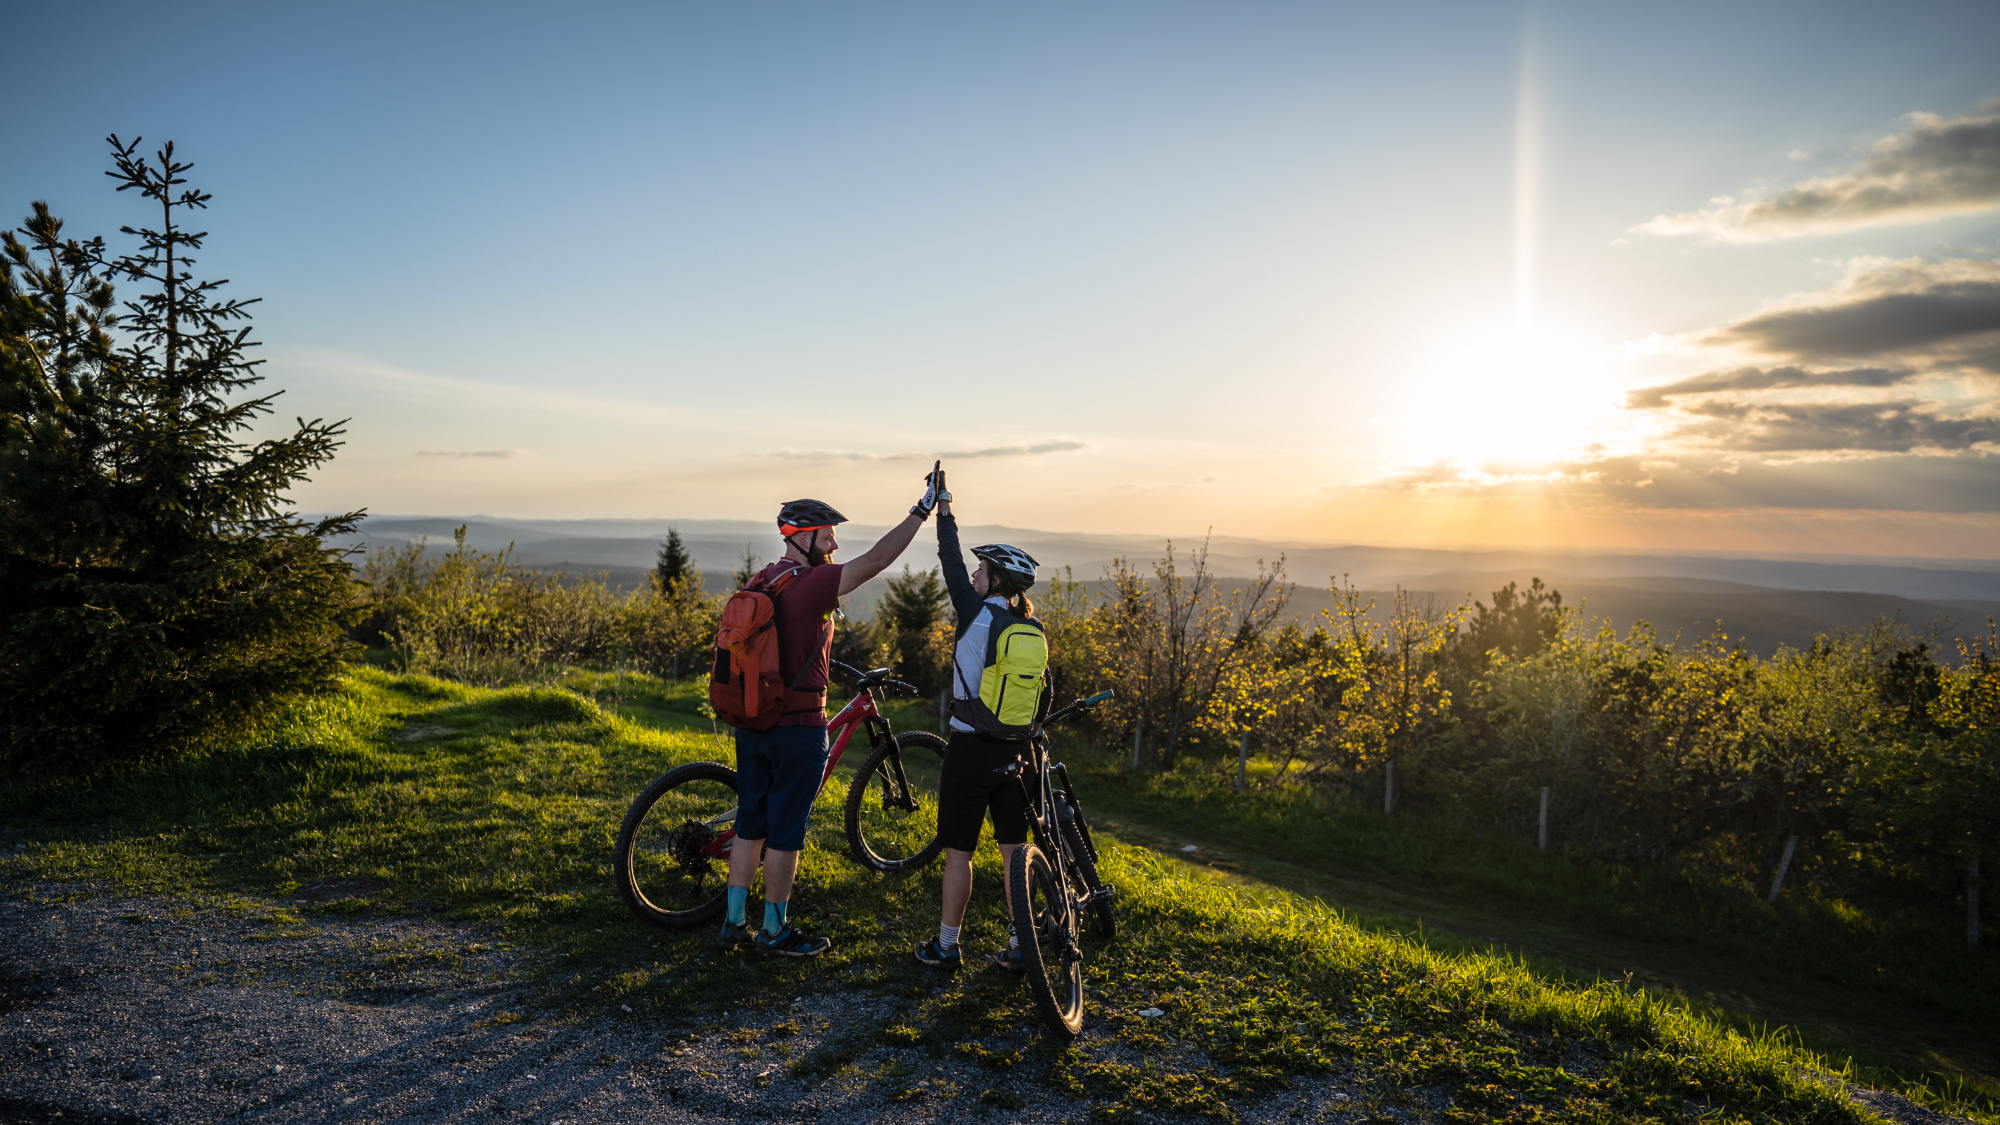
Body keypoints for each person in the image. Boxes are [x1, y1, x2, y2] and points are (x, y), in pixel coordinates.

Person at [719, 470, 948, 957]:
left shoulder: (763, 580)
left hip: (753, 722)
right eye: (828, 534)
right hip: (798, 728)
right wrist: (922, 509)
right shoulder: (815, 581)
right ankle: (775, 931)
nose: (835, 542)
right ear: (804, 538)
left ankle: (733, 923)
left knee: (750, 826)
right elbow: (880, 558)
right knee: (785, 835)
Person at [914, 491, 1051, 972]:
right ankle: (1021, 945)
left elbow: (948, 556)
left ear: (994, 580)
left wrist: (943, 508)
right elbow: (1042, 693)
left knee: (959, 854)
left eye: (980, 572)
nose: (972, 576)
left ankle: (948, 945)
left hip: (970, 750)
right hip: (1018, 753)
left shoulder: (975, 612)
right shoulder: (1029, 627)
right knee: (1016, 854)